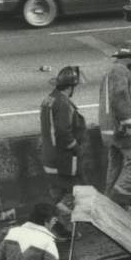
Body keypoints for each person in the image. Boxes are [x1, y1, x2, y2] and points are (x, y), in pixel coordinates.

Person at [40, 65, 88, 239]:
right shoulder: (63, 103)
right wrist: (76, 147)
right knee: (78, 190)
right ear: (70, 86)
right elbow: (63, 131)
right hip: (63, 160)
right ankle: (62, 228)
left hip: (49, 157)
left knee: (57, 192)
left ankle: (52, 226)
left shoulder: (49, 100)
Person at [99, 40, 131, 211]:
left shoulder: (111, 72)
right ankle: (118, 201)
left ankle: (108, 202)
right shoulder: (120, 72)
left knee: (116, 164)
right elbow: (120, 98)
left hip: (109, 130)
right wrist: (129, 125)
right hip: (120, 129)